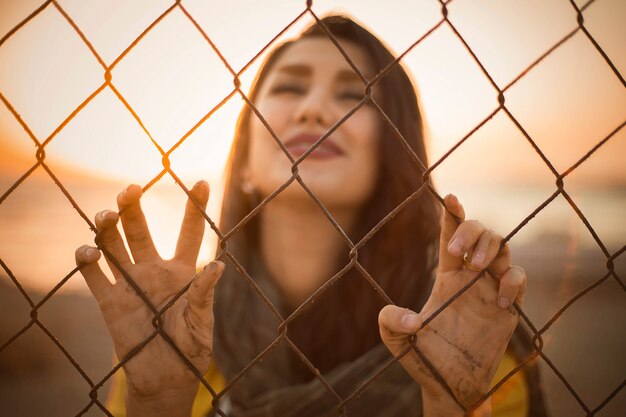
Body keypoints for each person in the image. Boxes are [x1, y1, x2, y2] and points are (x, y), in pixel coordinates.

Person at [75, 15, 547, 417]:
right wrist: (157, 401)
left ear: (392, 149)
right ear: (244, 162)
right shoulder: (176, 319)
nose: (313, 109)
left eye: (352, 94)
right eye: (289, 87)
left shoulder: (463, 332)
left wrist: (451, 404)